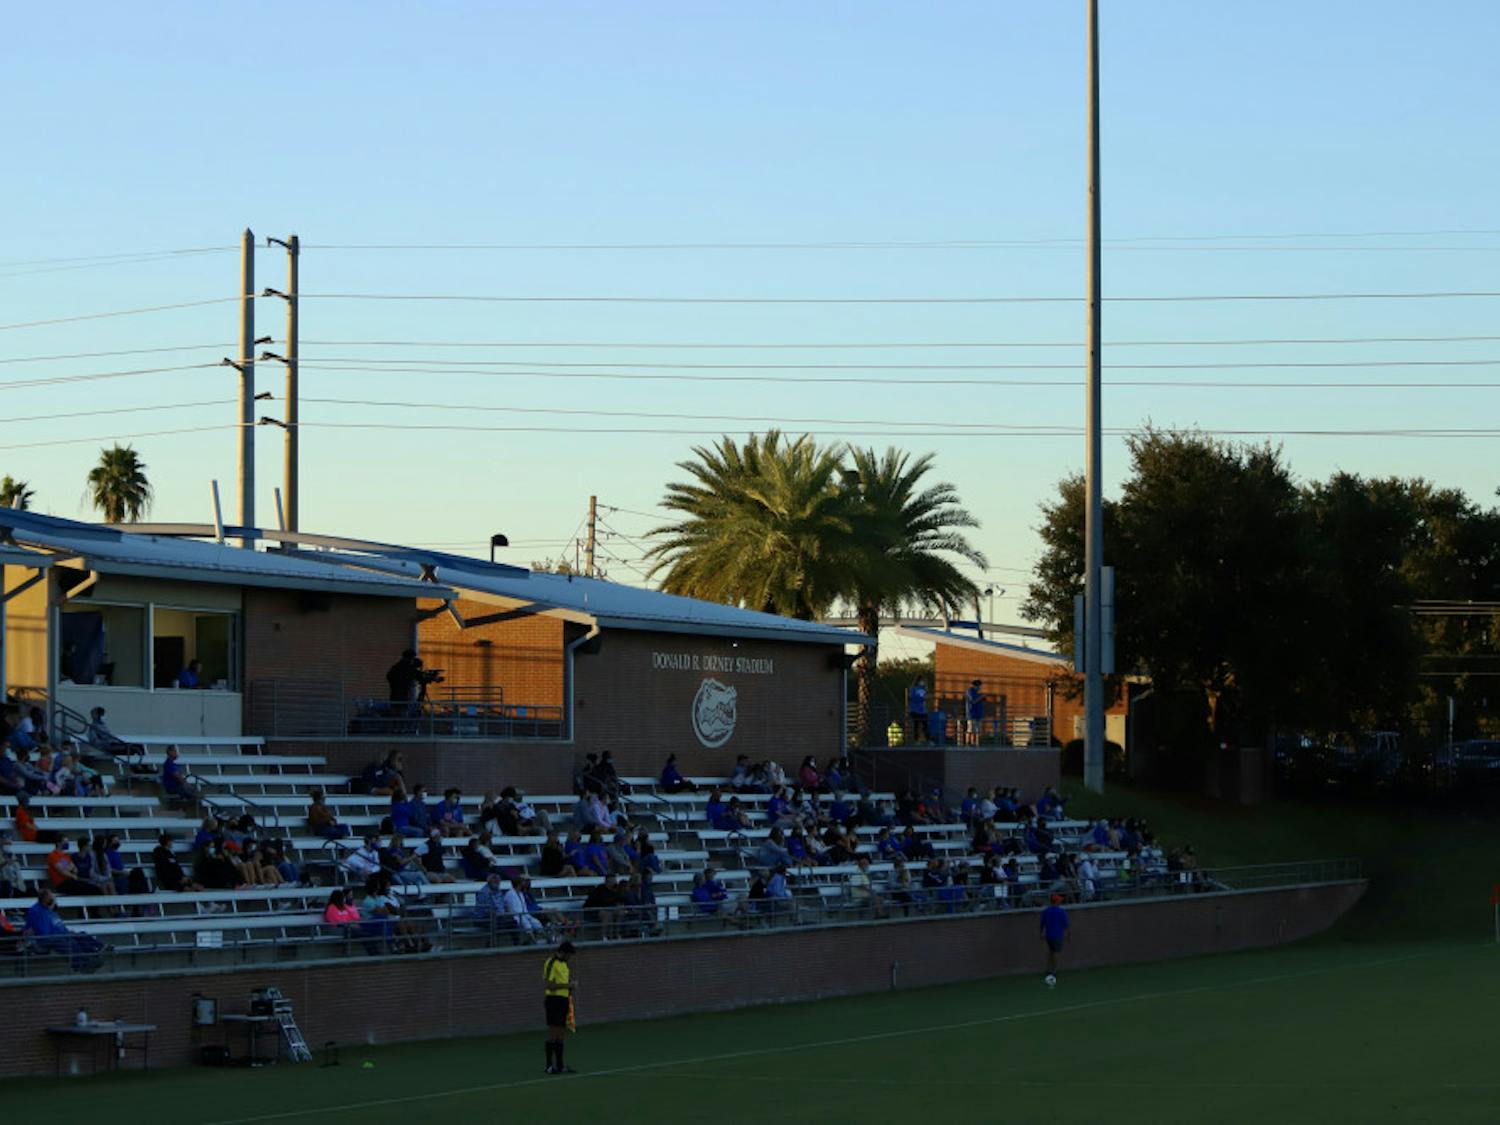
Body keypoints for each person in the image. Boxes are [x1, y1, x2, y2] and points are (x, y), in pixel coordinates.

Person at [543, 942, 577, 1074]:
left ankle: (560, 1065)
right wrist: (569, 985)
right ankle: (549, 1065)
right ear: (563, 952)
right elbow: (549, 985)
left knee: (561, 1033)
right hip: (553, 1001)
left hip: (564, 1001)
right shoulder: (551, 963)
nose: (570, 957)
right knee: (553, 1032)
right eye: (569, 955)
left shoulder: (565, 964)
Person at [1040, 892, 1070, 984]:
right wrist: (1068, 934)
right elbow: (1066, 925)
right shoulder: (1061, 912)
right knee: (1056, 953)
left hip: (1049, 935)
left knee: (1050, 952)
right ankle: (1054, 971)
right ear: (1057, 901)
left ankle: (1048, 969)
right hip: (1057, 935)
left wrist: (1041, 933)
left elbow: (1042, 924)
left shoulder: (1046, 911)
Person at [964, 680, 984, 746]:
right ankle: (968, 743)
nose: (979, 688)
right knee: (970, 729)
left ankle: (975, 743)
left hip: (978, 714)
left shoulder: (977, 693)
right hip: (972, 714)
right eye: (978, 686)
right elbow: (973, 701)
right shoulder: (970, 691)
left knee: (977, 730)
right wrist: (981, 697)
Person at [908, 678, 928, 744]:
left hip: (919, 710)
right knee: (919, 725)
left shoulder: (919, 689)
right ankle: (918, 739)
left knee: (921, 725)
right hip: (918, 710)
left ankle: (922, 739)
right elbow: (922, 697)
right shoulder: (917, 689)